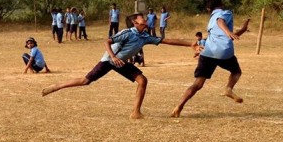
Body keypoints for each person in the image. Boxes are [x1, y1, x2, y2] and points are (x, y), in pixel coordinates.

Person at [42, 12, 199, 119]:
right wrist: (113, 57)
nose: (145, 19)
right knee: (86, 81)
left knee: (142, 80)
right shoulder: (127, 32)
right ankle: (56, 86)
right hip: (110, 61)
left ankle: (135, 112)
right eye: (142, 18)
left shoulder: (144, 36)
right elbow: (107, 41)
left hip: (121, 63)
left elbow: (167, 40)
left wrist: (190, 44)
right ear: (135, 21)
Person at [171, 0, 251, 118]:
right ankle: (228, 88)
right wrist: (229, 32)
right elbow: (221, 22)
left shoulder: (211, 19)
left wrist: (241, 30)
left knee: (197, 84)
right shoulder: (225, 13)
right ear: (222, 3)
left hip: (208, 52)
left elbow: (224, 32)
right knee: (236, 72)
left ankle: (178, 106)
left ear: (208, 9)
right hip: (224, 52)